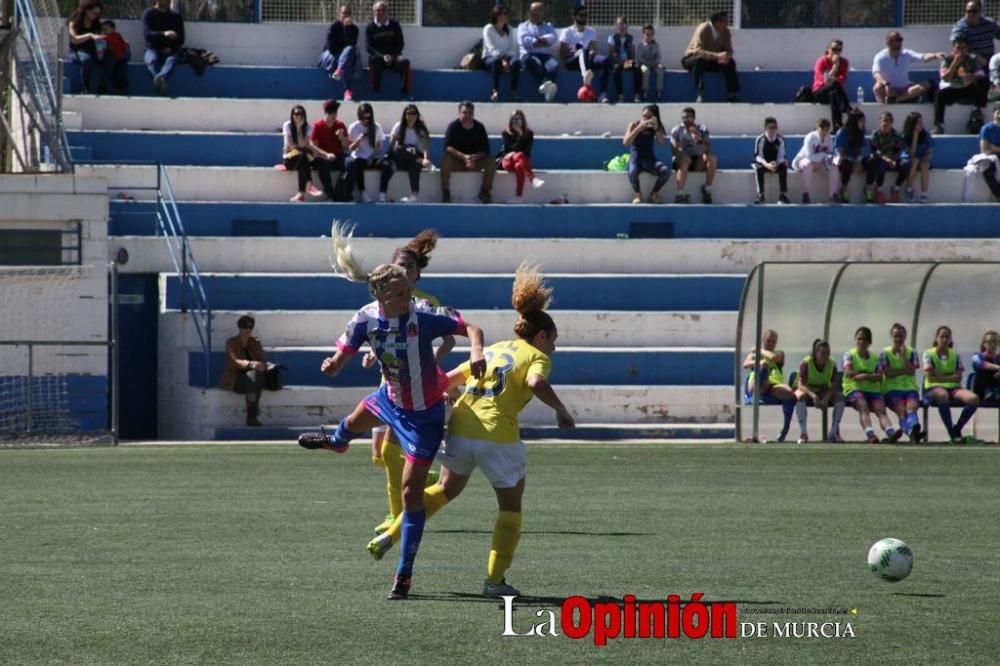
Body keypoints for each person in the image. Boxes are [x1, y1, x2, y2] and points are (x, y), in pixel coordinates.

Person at [298, 222, 486, 602]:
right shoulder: (366, 317)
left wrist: (477, 353)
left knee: (410, 494)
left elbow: (473, 328)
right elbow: (345, 352)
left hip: (424, 416)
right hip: (390, 399)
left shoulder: (422, 316)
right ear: (382, 296)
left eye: (408, 289)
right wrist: (334, 365)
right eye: (401, 293)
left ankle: (404, 575)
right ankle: (337, 443)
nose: (408, 296)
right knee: (350, 424)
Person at [366, 263, 575, 600]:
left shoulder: (494, 349)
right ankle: (494, 581)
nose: (554, 346)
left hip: (461, 426)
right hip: (498, 436)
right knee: (510, 506)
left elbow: (447, 380)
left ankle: (389, 535)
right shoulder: (537, 355)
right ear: (540, 336)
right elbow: (535, 381)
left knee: (444, 489)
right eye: (554, 340)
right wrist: (562, 411)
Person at [365, 230, 455, 535]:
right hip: (388, 379)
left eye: (408, 267)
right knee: (380, 454)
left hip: (414, 387)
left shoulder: (425, 304)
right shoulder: (385, 299)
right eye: (398, 265)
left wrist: (432, 362)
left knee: (389, 452)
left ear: (417, 275)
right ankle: (419, 479)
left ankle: (397, 514)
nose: (402, 270)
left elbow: (449, 341)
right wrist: (371, 354)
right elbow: (379, 335)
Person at [923, 325, 980, 443]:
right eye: (942, 336)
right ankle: (951, 432)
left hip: (953, 388)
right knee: (943, 395)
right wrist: (950, 377)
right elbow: (930, 378)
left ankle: (957, 429)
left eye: (947, 337)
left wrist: (940, 376)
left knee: (974, 399)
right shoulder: (928, 354)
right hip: (933, 389)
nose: (944, 339)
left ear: (950, 340)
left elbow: (958, 377)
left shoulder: (955, 354)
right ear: (936, 338)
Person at [842, 326, 898, 444]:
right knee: (863, 406)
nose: (861, 342)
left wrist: (864, 376)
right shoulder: (849, 355)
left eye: (864, 339)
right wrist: (869, 376)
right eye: (859, 339)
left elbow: (879, 376)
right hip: (854, 389)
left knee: (880, 409)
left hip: (872, 391)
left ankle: (890, 432)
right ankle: (870, 434)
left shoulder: (874, 358)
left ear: (869, 342)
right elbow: (849, 372)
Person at [742, 328, 797, 442]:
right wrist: (759, 361)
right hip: (756, 384)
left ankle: (785, 428)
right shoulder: (753, 354)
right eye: (768, 341)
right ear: (763, 340)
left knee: (790, 394)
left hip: (773, 386)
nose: (771, 343)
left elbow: (774, 358)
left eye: (773, 341)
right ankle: (761, 390)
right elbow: (745, 364)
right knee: (764, 366)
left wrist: (759, 350)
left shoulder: (779, 354)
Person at [440, 101, 494, 204]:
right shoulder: (453, 126)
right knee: (445, 160)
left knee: (491, 160)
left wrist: (474, 158)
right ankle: (446, 192)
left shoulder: (479, 127)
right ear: (459, 113)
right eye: (465, 112)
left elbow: (486, 149)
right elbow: (447, 147)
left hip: (475, 161)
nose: (467, 115)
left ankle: (485, 191)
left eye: (470, 113)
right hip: (458, 161)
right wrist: (464, 157)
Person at [793, 339, 846, 443]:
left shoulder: (832, 364)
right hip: (807, 390)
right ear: (816, 353)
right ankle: (803, 433)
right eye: (823, 353)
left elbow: (834, 384)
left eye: (828, 353)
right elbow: (801, 385)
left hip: (823, 390)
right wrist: (814, 396)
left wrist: (826, 398)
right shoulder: (806, 363)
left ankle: (834, 432)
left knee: (840, 397)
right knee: (800, 396)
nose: (826, 356)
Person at [933, 33, 987, 135]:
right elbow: (945, 77)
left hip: (967, 88)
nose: (960, 51)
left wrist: (972, 77)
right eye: (958, 48)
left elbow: (981, 74)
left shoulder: (971, 59)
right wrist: (955, 63)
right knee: (939, 95)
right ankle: (938, 125)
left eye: (963, 48)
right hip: (953, 87)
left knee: (984, 82)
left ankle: (977, 111)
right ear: (954, 48)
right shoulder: (947, 59)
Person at [682, 10, 740, 103]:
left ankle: (732, 94)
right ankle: (699, 93)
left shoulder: (726, 32)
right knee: (699, 61)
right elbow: (698, 51)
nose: (727, 23)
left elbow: (729, 50)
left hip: (712, 60)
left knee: (730, 63)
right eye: (725, 21)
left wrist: (727, 56)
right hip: (692, 58)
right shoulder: (703, 28)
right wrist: (717, 55)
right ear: (717, 22)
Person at [871, 31, 944, 104]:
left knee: (926, 84)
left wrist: (935, 55)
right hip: (889, 90)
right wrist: (886, 84)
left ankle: (895, 100)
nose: (900, 42)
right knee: (877, 88)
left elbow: (923, 57)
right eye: (897, 40)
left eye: (901, 39)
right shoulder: (880, 57)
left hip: (905, 89)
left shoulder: (906, 54)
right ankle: (896, 98)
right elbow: (876, 74)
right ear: (889, 42)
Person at [219, 314, 266, 427]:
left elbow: (262, 360)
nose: (247, 330)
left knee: (255, 378)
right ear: (240, 328)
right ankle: (252, 416)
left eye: (250, 327)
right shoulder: (231, 342)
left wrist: (262, 365)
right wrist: (251, 364)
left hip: (253, 379)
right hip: (236, 379)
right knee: (254, 381)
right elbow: (233, 361)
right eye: (245, 327)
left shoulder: (255, 343)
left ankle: (252, 416)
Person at [879, 323, 923, 443]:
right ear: (891, 337)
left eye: (901, 336)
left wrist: (903, 357)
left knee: (911, 408)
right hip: (891, 389)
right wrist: (904, 370)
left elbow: (911, 371)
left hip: (910, 388)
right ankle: (912, 432)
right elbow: (888, 373)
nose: (898, 339)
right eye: (896, 336)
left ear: (905, 337)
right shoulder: (884, 353)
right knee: (901, 410)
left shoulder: (912, 352)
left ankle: (913, 428)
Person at [951, 0, 1000, 103]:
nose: (971, 14)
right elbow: (957, 45)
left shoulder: (989, 24)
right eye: (968, 11)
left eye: (974, 11)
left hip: (989, 62)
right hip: (970, 63)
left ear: (980, 11)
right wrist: (974, 55)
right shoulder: (961, 27)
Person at [559, 4, 608, 103]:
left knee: (604, 60)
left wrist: (590, 53)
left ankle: (602, 94)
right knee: (583, 50)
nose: (584, 17)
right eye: (581, 15)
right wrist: (574, 51)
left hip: (587, 59)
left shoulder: (591, 32)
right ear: (574, 16)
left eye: (585, 15)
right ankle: (585, 77)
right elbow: (562, 53)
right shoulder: (567, 32)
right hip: (572, 61)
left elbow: (593, 49)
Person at [346, 102, 393, 203]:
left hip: (373, 157)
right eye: (363, 118)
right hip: (360, 157)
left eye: (368, 118)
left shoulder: (376, 127)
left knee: (387, 165)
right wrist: (358, 140)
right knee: (357, 165)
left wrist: (373, 156)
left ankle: (382, 194)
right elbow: (351, 148)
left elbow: (380, 147)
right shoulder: (354, 127)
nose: (366, 121)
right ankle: (363, 192)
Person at [623, 104, 669, 204]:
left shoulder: (655, 128)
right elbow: (626, 142)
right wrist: (638, 128)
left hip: (650, 160)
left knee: (665, 171)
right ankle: (638, 196)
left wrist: (657, 129)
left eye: (649, 117)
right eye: (644, 116)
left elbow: (662, 144)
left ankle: (653, 194)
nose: (646, 119)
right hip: (636, 159)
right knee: (632, 172)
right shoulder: (634, 124)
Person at [670, 106, 716, 204]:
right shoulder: (677, 130)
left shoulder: (702, 129)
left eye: (688, 117)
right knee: (686, 159)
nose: (686, 120)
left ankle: (707, 189)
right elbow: (673, 149)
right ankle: (680, 194)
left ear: (694, 117)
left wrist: (698, 139)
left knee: (711, 158)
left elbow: (707, 148)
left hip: (697, 159)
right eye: (684, 118)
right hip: (681, 160)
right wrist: (679, 151)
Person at [387, 104, 431, 203]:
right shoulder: (399, 126)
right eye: (408, 113)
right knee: (398, 149)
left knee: (414, 164)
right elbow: (392, 145)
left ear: (417, 115)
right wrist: (396, 138)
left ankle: (414, 194)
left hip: (415, 154)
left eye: (414, 113)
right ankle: (417, 159)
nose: (411, 116)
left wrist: (425, 158)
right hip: (402, 155)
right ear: (405, 115)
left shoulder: (420, 128)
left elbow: (425, 146)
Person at [365, 0, 411, 98]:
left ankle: (405, 93)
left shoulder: (395, 24)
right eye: (378, 10)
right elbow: (368, 47)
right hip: (378, 59)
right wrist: (383, 56)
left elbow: (401, 44)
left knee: (405, 62)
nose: (381, 12)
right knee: (374, 62)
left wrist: (393, 56)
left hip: (394, 57)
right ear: (374, 12)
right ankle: (376, 93)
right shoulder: (370, 27)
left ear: (387, 11)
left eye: (383, 10)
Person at [67, 0, 113, 94]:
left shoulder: (96, 24)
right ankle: (85, 89)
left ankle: (103, 87)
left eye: (98, 14)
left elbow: (100, 36)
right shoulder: (74, 22)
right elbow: (74, 39)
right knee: (87, 60)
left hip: (93, 50)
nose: (95, 16)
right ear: (87, 10)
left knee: (111, 58)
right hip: (78, 51)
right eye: (94, 13)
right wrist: (89, 35)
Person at [310, 99, 352, 201]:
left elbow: (346, 147)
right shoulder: (318, 126)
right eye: (330, 113)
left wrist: (342, 137)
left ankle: (345, 192)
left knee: (351, 163)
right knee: (321, 163)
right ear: (325, 113)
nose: (333, 116)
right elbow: (314, 148)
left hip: (338, 156)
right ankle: (330, 194)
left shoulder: (340, 125)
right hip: (324, 157)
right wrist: (326, 154)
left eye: (335, 113)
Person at [866, 111, 911, 204]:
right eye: (884, 121)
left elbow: (898, 151)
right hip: (881, 159)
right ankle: (879, 190)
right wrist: (886, 159)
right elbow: (874, 150)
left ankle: (896, 188)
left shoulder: (897, 135)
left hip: (893, 160)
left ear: (892, 122)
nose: (885, 123)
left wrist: (893, 159)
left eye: (888, 121)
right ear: (880, 122)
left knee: (906, 163)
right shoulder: (875, 134)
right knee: (879, 163)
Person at [500, 109, 544, 203]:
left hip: (521, 161)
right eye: (513, 119)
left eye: (518, 119)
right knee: (519, 154)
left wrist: (521, 135)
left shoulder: (529, 134)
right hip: (507, 162)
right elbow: (508, 151)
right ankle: (532, 179)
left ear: (523, 120)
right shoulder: (505, 133)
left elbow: (527, 152)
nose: (515, 121)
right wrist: (519, 137)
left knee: (519, 165)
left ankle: (518, 196)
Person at [518, 2, 559, 102]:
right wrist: (537, 42)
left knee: (554, 65)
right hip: (529, 55)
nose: (536, 14)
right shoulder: (523, 26)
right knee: (537, 64)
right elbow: (524, 40)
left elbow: (553, 37)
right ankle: (545, 84)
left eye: (539, 11)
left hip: (545, 55)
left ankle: (547, 90)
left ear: (543, 13)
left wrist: (541, 39)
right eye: (533, 11)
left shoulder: (548, 26)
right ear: (529, 12)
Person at [141, 0, 184, 96]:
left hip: (170, 50)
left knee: (172, 60)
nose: (168, 1)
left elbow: (181, 38)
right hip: (152, 48)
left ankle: (159, 78)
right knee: (151, 60)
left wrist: (171, 48)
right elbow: (147, 35)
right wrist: (164, 34)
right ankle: (161, 83)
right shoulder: (149, 13)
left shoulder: (176, 16)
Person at [319, 5, 360, 101]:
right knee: (346, 64)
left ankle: (340, 70)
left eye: (348, 13)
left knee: (349, 49)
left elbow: (352, 43)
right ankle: (347, 91)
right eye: (343, 13)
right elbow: (331, 47)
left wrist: (347, 28)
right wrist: (342, 58)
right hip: (333, 57)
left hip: (345, 59)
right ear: (339, 15)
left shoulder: (354, 29)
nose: (346, 15)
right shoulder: (334, 27)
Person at [792, 118, 838, 204]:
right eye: (822, 129)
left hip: (820, 164)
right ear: (817, 128)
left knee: (834, 167)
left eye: (827, 129)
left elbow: (831, 153)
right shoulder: (810, 137)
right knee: (808, 164)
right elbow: (809, 156)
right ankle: (805, 194)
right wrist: (824, 155)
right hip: (804, 161)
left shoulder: (829, 139)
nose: (824, 132)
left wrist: (833, 158)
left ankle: (833, 195)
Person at [483, 5, 522, 103]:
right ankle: (495, 91)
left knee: (516, 62)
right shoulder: (488, 29)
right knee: (496, 62)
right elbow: (491, 48)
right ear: (497, 16)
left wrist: (506, 59)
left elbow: (512, 49)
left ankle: (514, 92)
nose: (507, 17)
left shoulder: (509, 29)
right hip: (490, 58)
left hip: (505, 57)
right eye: (505, 14)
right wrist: (502, 60)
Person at [283, 105, 320, 203]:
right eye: (296, 114)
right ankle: (310, 184)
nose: (298, 116)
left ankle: (301, 194)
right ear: (292, 115)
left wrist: (299, 129)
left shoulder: (308, 127)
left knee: (304, 157)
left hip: (302, 157)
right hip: (289, 157)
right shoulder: (287, 125)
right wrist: (298, 130)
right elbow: (291, 146)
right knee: (302, 155)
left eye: (301, 114)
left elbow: (304, 144)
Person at [832, 108, 870, 203]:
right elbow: (840, 153)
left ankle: (869, 187)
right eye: (861, 121)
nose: (863, 123)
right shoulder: (842, 133)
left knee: (873, 162)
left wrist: (859, 161)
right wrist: (854, 161)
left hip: (856, 159)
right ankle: (844, 188)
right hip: (843, 159)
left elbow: (863, 150)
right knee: (846, 163)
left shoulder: (861, 133)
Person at [812, 39, 850, 129]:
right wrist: (835, 65)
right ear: (828, 49)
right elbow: (825, 81)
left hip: (834, 93)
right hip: (819, 92)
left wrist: (834, 79)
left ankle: (837, 126)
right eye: (834, 49)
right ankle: (847, 107)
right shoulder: (821, 61)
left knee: (833, 94)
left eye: (839, 50)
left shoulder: (844, 62)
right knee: (834, 84)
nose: (836, 52)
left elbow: (842, 79)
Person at [752, 116, 790, 205]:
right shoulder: (761, 139)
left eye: (775, 128)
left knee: (784, 165)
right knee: (758, 167)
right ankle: (760, 194)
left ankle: (782, 195)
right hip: (763, 163)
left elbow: (782, 156)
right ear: (765, 128)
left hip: (775, 163)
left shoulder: (781, 139)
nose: (773, 130)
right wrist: (767, 164)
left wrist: (776, 163)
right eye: (770, 128)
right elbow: (758, 156)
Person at [901, 111, 935, 203]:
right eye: (918, 123)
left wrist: (924, 159)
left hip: (923, 159)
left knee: (925, 165)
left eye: (921, 122)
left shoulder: (926, 135)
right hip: (909, 160)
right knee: (915, 161)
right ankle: (909, 188)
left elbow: (930, 152)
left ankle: (924, 194)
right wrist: (915, 137)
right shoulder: (905, 136)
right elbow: (911, 154)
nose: (921, 125)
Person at [608, 16, 641, 103]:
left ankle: (637, 95)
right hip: (617, 62)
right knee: (616, 70)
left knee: (637, 69)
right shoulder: (612, 37)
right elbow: (611, 54)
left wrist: (629, 62)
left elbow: (633, 55)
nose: (622, 27)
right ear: (616, 26)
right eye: (620, 24)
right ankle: (620, 95)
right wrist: (621, 62)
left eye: (624, 24)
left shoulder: (631, 38)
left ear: (627, 26)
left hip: (628, 62)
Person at [977, 102, 1000, 200]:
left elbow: (991, 148)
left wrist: (994, 148)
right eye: (998, 112)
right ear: (994, 113)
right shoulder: (986, 129)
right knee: (985, 167)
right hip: (992, 158)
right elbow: (985, 149)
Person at [636, 24, 664, 103]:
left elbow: (659, 57)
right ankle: (645, 92)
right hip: (644, 65)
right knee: (645, 71)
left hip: (654, 64)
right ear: (643, 34)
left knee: (660, 70)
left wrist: (655, 63)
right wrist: (647, 63)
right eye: (647, 34)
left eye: (651, 34)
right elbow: (639, 58)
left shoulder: (656, 45)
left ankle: (659, 91)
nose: (649, 36)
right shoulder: (640, 45)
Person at [101, 20, 130, 93]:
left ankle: (122, 89)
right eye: (103, 30)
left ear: (113, 29)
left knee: (121, 73)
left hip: (120, 59)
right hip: (112, 60)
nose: (104, 31)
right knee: (110, 71)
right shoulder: (104, 38)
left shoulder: (116, 36)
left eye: (106, 29)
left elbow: (115, 43)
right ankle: (104, 87)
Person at [970, 330, 1000, 402]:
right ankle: (988, 391)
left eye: (995, 341)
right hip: (981, 390)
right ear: (984, 344)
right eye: (989, 342)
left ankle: (995, 392)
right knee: (982, 370)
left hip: (997, 389)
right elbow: (980, 364)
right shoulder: (976, 356)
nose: (993, 345)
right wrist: (998, 367)